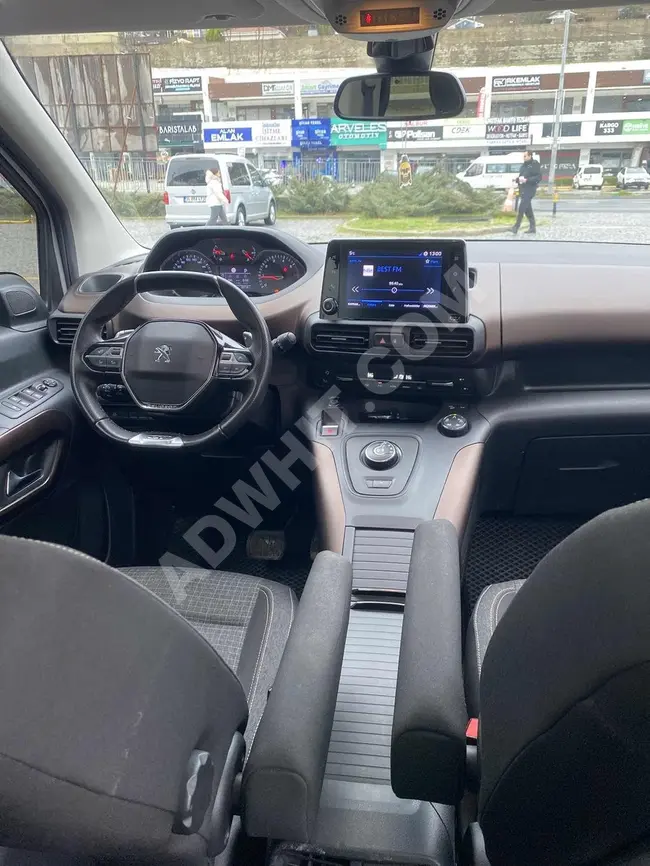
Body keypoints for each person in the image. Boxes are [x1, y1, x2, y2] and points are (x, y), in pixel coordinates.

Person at [511, 150, 542, 235]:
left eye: (525, 156)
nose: (523, 158)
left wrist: (527, 180)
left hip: (530, 189)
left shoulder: (535, 164)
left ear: (530, 156)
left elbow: (538, 177)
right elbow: (522, 176)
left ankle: (516, 227)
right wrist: (517, 179)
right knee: (528, 209)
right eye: (523, 156)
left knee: (522, 207)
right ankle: (532, 228)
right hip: (523, 189)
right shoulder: (523, 166)